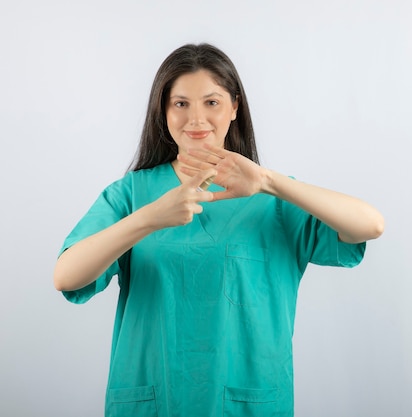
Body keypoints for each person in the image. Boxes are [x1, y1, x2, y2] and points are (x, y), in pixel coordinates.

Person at [54, 43, 384, 417]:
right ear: (163, 112)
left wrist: (268, 181)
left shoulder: (273, 200)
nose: (196, 119)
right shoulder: (131, 195)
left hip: (249, 404)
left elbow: (370, 224)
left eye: (211, 102)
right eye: (181, 104)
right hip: (154, 404)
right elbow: (66, 276)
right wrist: (149, 217)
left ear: (234, 107)